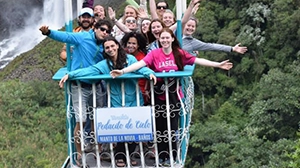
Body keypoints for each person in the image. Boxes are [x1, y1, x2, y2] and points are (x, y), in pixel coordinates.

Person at [110, 28, 233, 166]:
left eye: (167, 38)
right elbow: (140, 64)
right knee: (160, 127)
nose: (165, 40)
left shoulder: (178, 53)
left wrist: (218, 64)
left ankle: (172, 155)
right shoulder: (155, 54)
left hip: (174, 95)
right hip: (158, 94)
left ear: (172, 39)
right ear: (159, 40)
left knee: (172, 127)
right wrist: (123, 71)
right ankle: (162, 156)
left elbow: (197, 60)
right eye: (162, 38)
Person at [58, 36, 156, 168]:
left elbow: (140, 67)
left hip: (133, 98)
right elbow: (89, 71)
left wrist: (149, 73)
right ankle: (120, 156)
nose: (110, 49)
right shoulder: (105, 64)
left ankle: (130, 154)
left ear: (117, 46)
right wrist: (71, 75)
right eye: (107, 47)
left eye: (112, 46)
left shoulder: (130, 59)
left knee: (134, 129)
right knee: (121, 130)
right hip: (116, 100)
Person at [39, 19, 113, 166]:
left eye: (107, 31)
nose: (105, 33)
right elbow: (66, 37)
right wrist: (48, 32)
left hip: (96, 85)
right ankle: (79, 155)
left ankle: (100, 150)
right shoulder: (83, 37)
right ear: (95, 28)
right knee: (81, 120)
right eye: (102, 29)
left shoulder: (105, 44)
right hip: (79, 85)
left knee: (97, 120)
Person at [182, 17, 248, 55]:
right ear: (184, 25)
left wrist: (232, 48)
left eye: (193, 26)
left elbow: (211, 46)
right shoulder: (175, 33)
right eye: (188, 25)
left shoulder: (193, 42)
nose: (190, 28)